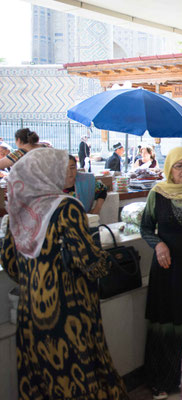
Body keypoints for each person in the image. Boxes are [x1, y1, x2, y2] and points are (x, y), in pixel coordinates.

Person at [2, 148, 128, 399]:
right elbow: (88, 261)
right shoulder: (66, 207)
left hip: (31, 309)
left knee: (40, 373)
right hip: (67, 308)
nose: (71, 173)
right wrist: (110, 261)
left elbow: (10, 264)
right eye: (64, 168)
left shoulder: (19, 207)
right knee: (75, 372)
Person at [140, 147, 182, 399]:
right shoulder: (157, 194)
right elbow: (145, 227)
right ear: (169, 168)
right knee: (169, 317)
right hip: (168, 267)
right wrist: (157, 244)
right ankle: (165, 379)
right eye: (179, 166)